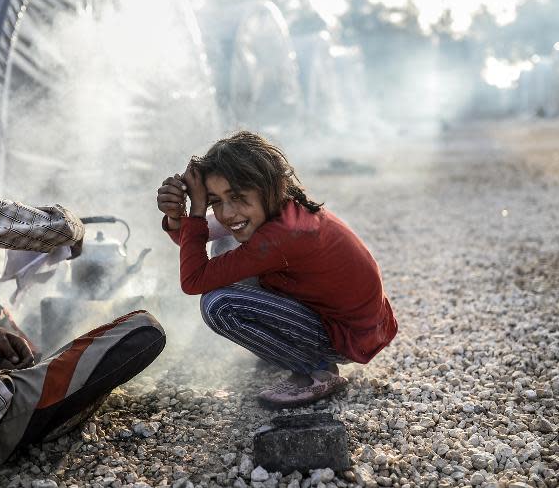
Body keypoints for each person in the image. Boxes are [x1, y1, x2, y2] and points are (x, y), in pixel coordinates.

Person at [0, 137, 166, 476]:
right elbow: (57, 230)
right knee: (145, 329)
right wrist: (75, 221)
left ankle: (28, 368)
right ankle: (35, 392)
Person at [156, 131, 397, 407]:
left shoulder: (282, 236)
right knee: (225, 244)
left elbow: (193, 279)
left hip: (346, 337)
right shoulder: (272, 207)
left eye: (236, 196)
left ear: (270, 186)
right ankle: (287, 348)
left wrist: (197, 209)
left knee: (218, 304)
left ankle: (317, 369)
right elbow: (193, 238)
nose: (227, 212)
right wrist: (178, 217)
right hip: (345, 321)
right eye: (215, 201)